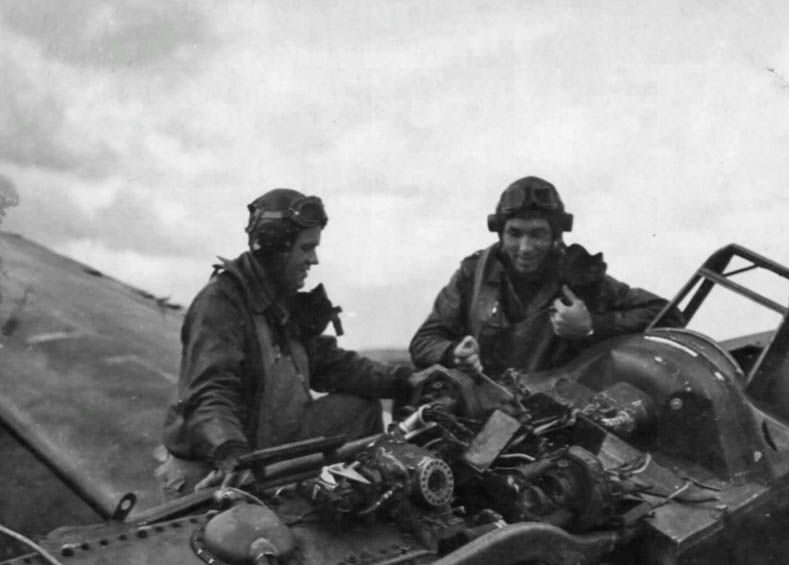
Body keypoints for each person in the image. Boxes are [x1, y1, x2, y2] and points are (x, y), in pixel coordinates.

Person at [159, 188, 412, 499]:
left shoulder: (281, 302)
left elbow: (332, 364)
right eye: (306, 249)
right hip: (216, 467)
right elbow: (210, 395)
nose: (313, 259)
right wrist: (232, 456)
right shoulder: (221, 302)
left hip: (266, 448)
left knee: (360, 407)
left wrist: (403, 380)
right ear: (276, 248)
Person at [410, 176, 680, 378]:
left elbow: (667, 314)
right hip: (482, 407)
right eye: (515, 233)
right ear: (500, 234)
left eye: (537, 234)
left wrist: (592, 325)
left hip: (554, 414)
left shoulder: (581, 275)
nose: (525, 248)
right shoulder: (473, 274)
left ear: (555, 238)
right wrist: (453, 353)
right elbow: (424, 342)